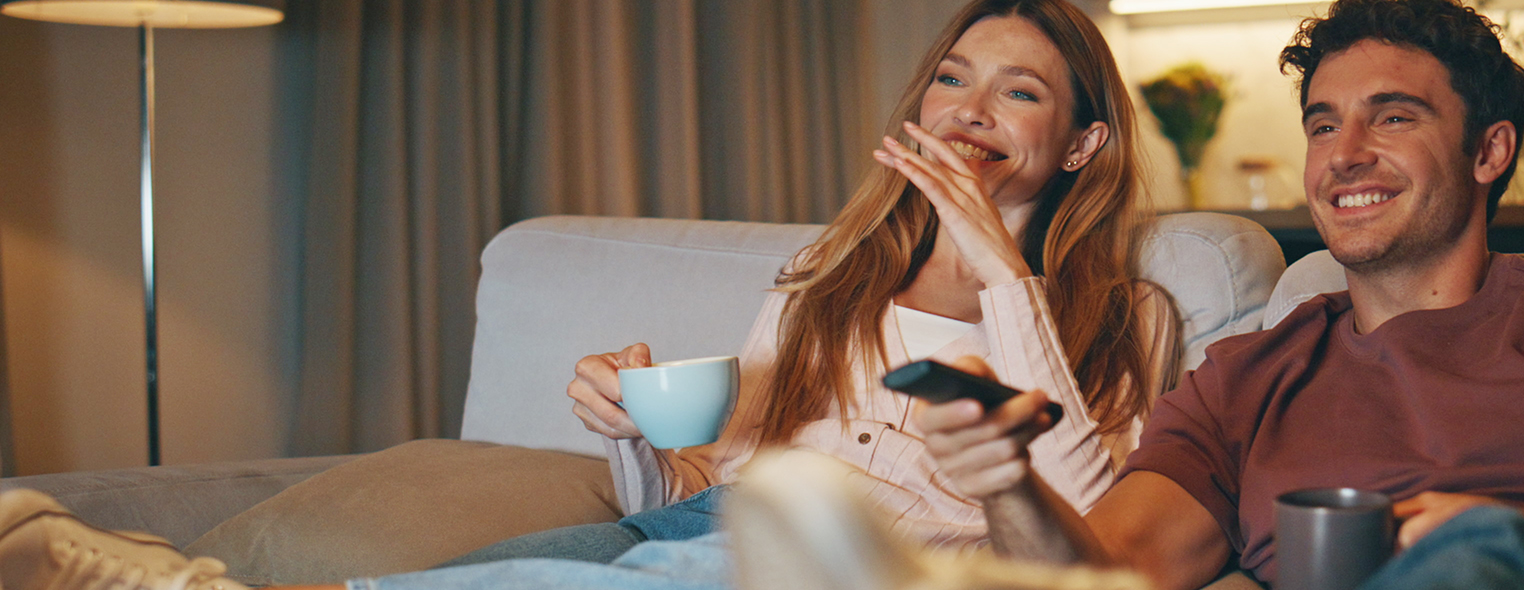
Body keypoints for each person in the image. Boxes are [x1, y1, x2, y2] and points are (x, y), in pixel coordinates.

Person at [0, 1, 1176, 589]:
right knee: (492, 578)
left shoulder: (1127, 318)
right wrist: (626, 436)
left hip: (842, 562)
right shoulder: (835, 273)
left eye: (1018, 93)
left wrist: (1006, 274)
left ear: (1078, 144)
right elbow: (712, 478)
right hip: (693, 527)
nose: (968, 108)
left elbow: (1081, 543)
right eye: (951, 79)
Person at [915, 0, 1524, 589]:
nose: (1344, 154)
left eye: (1392, 116)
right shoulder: (1245, 379)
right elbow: (1108, 572)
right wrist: (1010, 488)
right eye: (1322, 124)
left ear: (1489, 151)